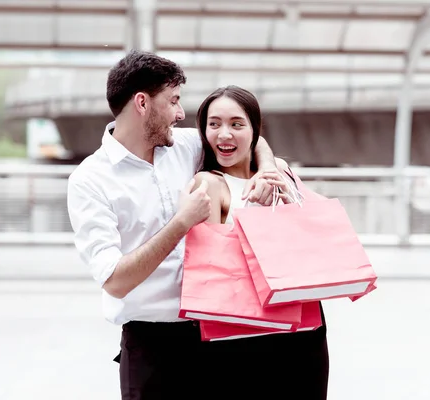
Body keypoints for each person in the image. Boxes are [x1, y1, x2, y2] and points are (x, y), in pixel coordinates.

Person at [66, 50, 283, 400]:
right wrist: (181, 223)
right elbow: (114, 281)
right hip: (150, 347)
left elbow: (247, 140)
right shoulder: (90, 180)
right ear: (142, 103)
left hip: (217, 334)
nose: (181, 114)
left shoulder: (183, 145)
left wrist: (269, 167)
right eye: (174, 101)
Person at [191, 85, 330, 399]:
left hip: (303, 325)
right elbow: (211, 268)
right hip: (243, 331)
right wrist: (255, 212)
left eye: (237, 124)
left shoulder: (278, 171)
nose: (224, 134)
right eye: (214, 124)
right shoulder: (209, 183)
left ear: (254, 131)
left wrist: (268, 169)